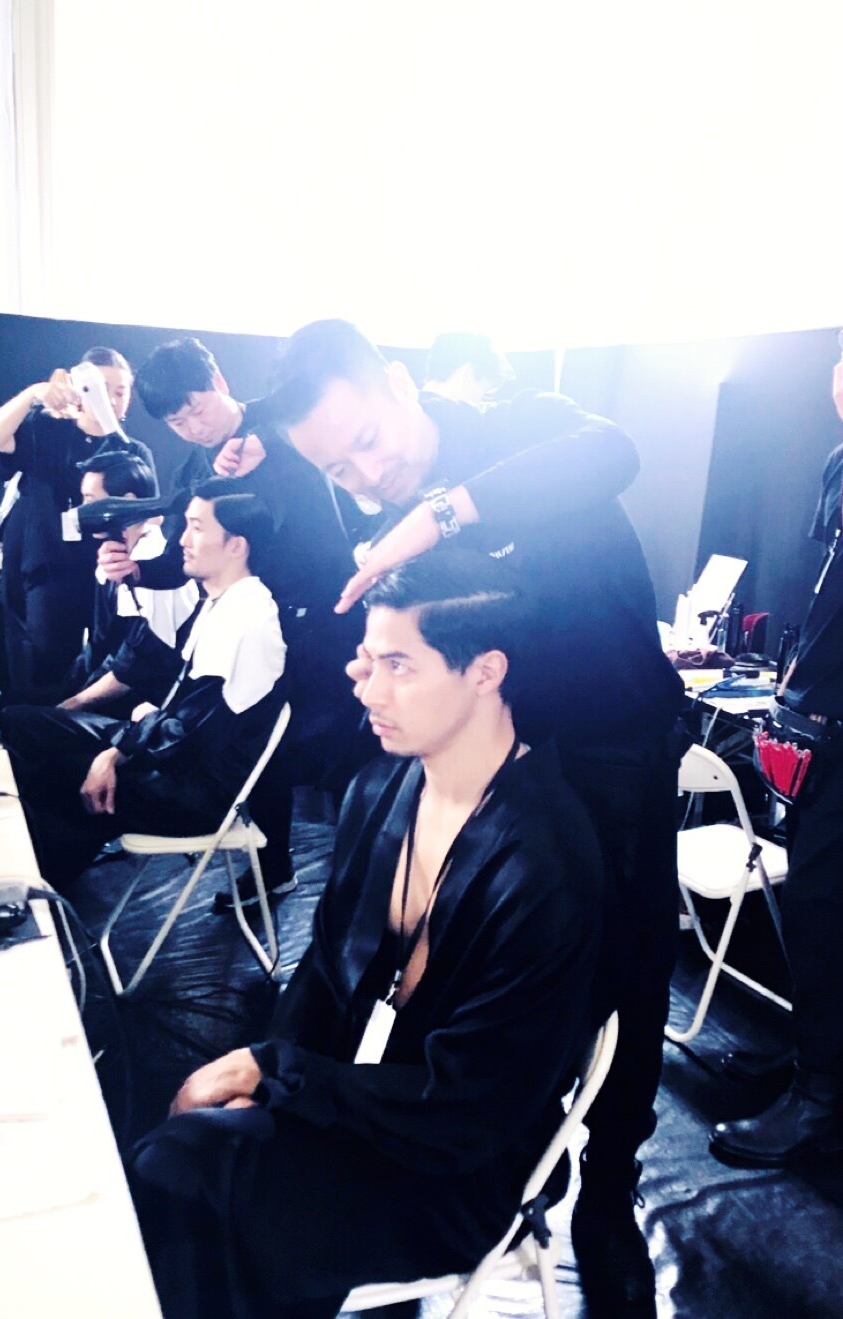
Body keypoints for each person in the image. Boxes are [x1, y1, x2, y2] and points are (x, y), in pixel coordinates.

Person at [255, 318, 686, 1317]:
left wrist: (435, 516)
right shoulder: (362, 491)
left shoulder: (520, 424)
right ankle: (427, 1158)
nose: (367, 475)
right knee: (447, 959)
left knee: (623, 979)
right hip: (499, 757)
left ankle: (605, 1193)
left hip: (612, 748)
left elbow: (612, 452)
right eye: (338, 467)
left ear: (400, 385)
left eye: (369, 440)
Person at [132, 551, 604, 1319]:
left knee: (182, 1171)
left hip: (459, 1166)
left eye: (399, 665)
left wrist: (280, 1072)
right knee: (187, 1159)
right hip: (363, 1104)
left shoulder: (544, 865)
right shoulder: (379, 787)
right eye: (367, 660)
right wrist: (270, 1082)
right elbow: (322, 968)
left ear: (485, 672)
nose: (367, 689)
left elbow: (470, 1108)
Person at [99, 337, 373, 908]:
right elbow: (181, 555)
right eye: (177, 423)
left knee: (348, 754)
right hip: (265, 624)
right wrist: (135, 571)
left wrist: (267, 448)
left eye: (198, 409)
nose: (193, 428)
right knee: (263, 749)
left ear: (220, 382)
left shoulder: (285, 431)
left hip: (328, 618)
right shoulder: (197, 466)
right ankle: (276, 869)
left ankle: (363, 883)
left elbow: (325, 499)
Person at [0, 480, 285, 888]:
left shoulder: (246, 623)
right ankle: (38, 867)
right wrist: (128, 738)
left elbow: (187, 737)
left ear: (236, 546)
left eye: (197, 528)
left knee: (59, 770)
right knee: (24, 724)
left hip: (193, 793)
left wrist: (114, 755)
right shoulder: (221, 602)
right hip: (172, 750)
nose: (182, 540)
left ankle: (33, 887)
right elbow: (183, 718)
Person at [711, 347, 843, 1166]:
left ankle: (819, 1096)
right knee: (811, 906)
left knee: (825, 909)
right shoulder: (836, 463)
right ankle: (811, 1055)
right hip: (819, 723)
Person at [0, 346, 156, 704]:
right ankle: (36, 726)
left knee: (103, 661)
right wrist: (34, 394)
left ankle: (81, 724)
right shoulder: (46, 430)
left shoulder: (133, 451)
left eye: (121, 391)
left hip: (105, 575)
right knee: (42, 660)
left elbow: (149, 516)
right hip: (47, 566)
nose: (112, 399)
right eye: (102, 388)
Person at [60, 450, 196, 715]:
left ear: (126, 503)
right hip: (101, 686)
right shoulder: (114, 555)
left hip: (135, 709)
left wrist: (71, 706)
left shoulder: (151, 561)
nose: (81, 510)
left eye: (91, 500)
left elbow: (138, 667)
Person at [422, 330, 514, 406]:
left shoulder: (416, 407)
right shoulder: (461, 417)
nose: (480, 403)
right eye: (484, 394)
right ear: (466, 373)